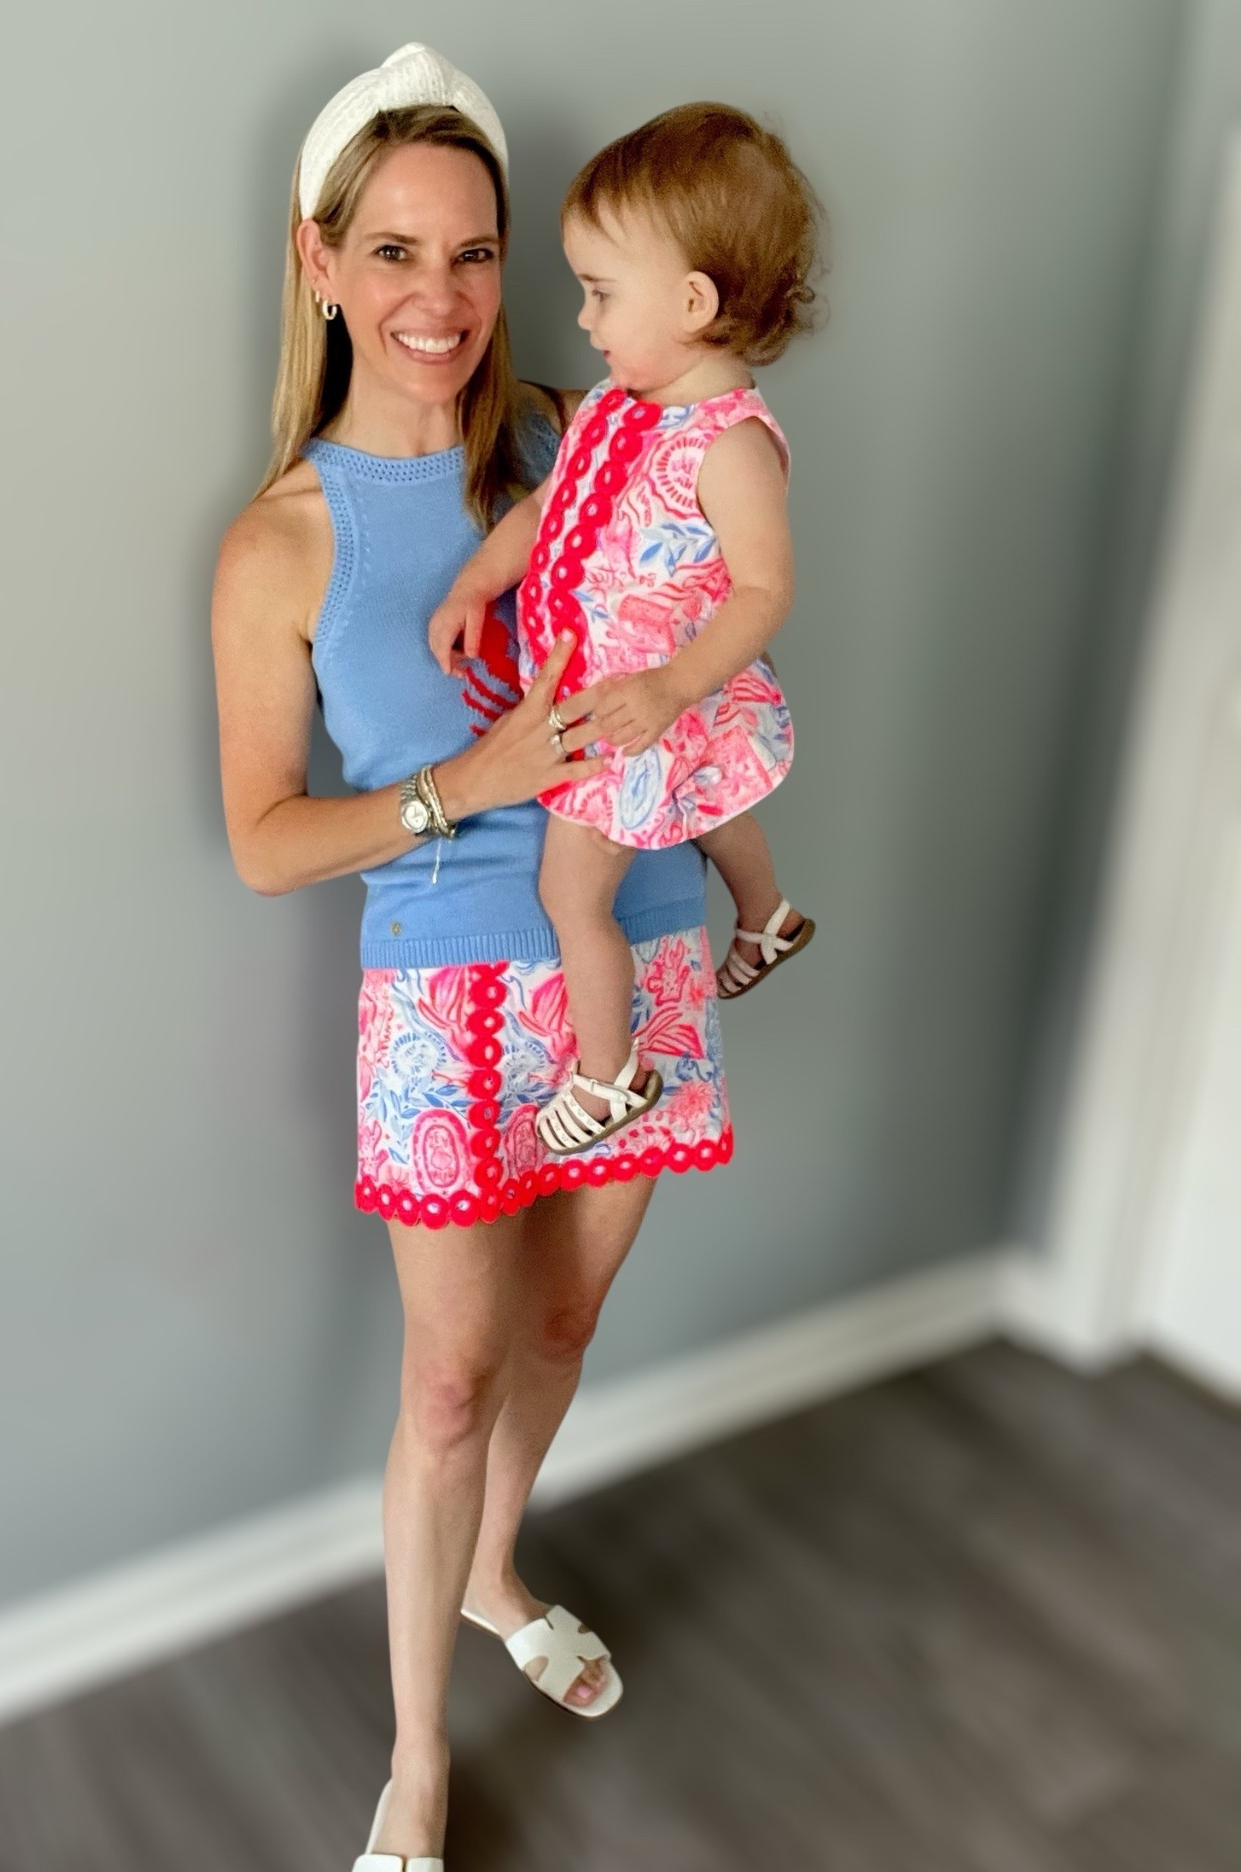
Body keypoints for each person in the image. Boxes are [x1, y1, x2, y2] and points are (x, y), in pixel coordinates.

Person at [212, 45, 740, 1872]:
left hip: (648, 931)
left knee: (565, 1324)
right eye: (394, 250)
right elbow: (271, 841)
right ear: (321, 260)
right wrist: (470, 775)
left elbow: (727, 607)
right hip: (444, 987)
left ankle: (503, 1574)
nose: (440, 295)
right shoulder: (284, 538)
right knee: (444, 1387)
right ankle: (420, 1768)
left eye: (478, 252)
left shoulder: (592, 438)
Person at [432, 104, 821, 1157]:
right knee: (716, 797)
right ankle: (769, 916)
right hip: (635, 698)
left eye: (602, 292)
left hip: (642, 705)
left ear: (694, 302)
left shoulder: (728, 445)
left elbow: (764, 591)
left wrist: (673, 688)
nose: (586, 318)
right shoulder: (616, 404)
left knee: (572, 889)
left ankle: (608, 1075)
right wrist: (479, 578)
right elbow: (548, 509)